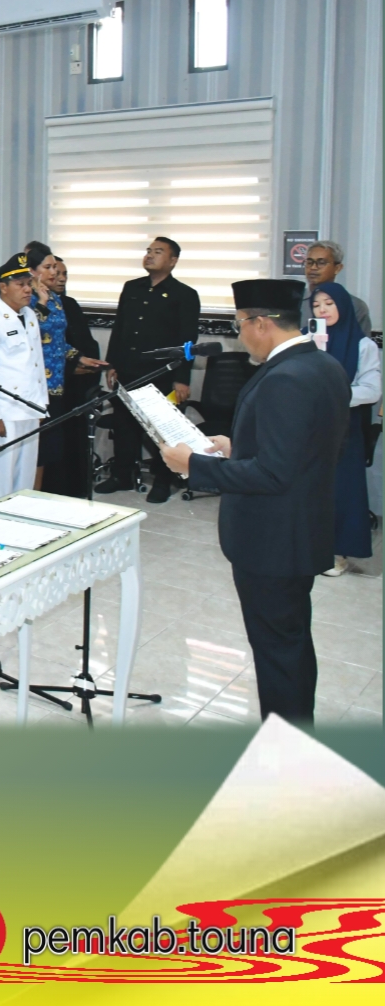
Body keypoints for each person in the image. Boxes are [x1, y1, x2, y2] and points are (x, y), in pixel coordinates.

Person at [160, 279, 351, 724]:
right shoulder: (322, 366)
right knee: (288, 642)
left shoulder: (286, 378)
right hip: (300, 528)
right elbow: (306, 449)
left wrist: (194, 465)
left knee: (277, 650)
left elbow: (273, 474)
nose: (239, 334)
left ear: (261, 323)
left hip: (273, 539)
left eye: (240, 324)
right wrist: (237, 446)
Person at [97, 237, 201, 503]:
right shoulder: (132, 288)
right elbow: (119, 328)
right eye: (148, 251)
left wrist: (182, 378)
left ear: (173, 261)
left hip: (162, 375)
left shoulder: (185, 294)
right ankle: (122, 475)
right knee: (124, 427)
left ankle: (164, 481)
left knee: (162, 432)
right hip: (129, 371)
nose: (150, 255)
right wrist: (112, 364)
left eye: (158, 252)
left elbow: (188, 342)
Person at [310, 283, 382, 575]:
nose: (322, 310)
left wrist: (336, 394)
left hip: (344, 428)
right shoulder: (307, 339)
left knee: (340, 490)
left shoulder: (363, 345)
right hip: (309, 428)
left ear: (343, 306)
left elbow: (372, 389)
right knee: (309, 488)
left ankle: (336, 553)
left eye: (329, 303)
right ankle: (308, 546)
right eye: (316, 305)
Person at [0, 253, 48, 499]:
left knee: (25, 477)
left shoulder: (29, 316)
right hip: (6, 411)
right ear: (3, 287)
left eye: (28, 283)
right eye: (20, 284)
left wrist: (41, 406)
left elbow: (36, 363)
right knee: (3, 478)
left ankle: (22, 517)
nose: (27, 289)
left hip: (30, 407)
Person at [45, 257, 107, 497]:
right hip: (56, 386)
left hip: (77, 388)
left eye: (64, 274)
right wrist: (71, 367)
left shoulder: (69, 304)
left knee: (75, 444)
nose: (60, 278)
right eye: (55, 272)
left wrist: (85, 363)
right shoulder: (36, 308)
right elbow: (47, 348)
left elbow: (84, 343)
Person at [26, 244, 72, 491]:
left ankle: (42, 493)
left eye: (55, 266)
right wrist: (41, 303)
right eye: (48, 267)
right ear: (32, 271)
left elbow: (58, 339)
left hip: (56, 381)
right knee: (37, 447)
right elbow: (30, 333)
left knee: (50, 446)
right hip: (36, 382)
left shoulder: (55, 298)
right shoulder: (28, 298)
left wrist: (78, 357)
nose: (54, 272)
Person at [301, 240, 372, 334]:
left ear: (337, 268)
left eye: (321, 262)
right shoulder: (293, 301)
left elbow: (361, 341)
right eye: (309, 262)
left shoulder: (355, 306)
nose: (313, 267)